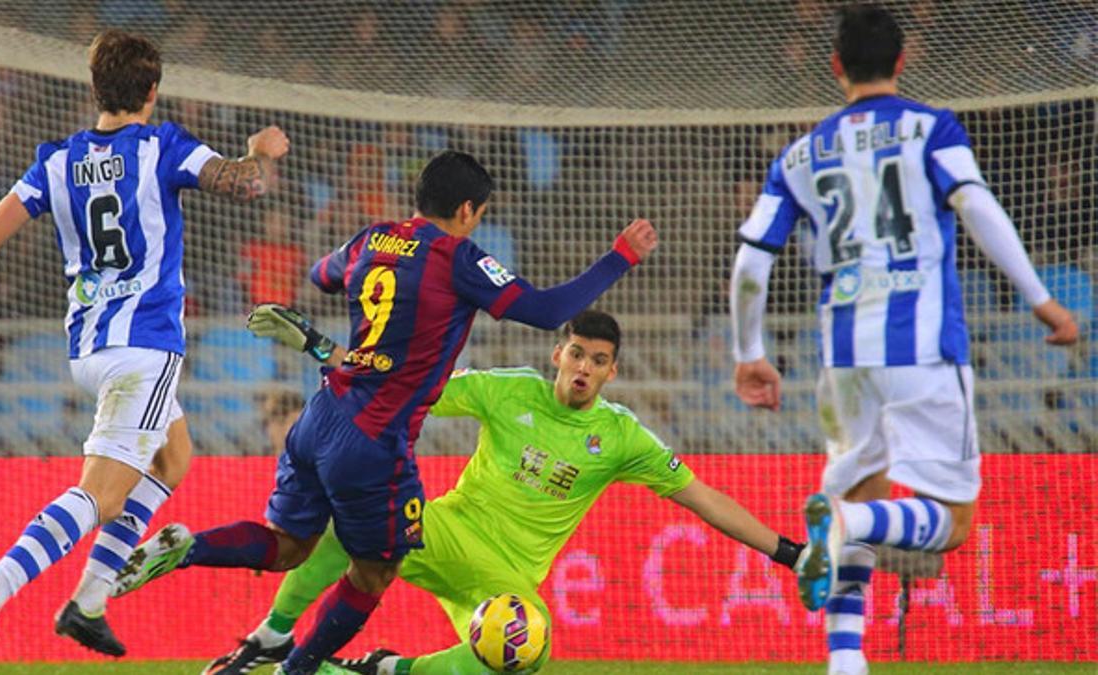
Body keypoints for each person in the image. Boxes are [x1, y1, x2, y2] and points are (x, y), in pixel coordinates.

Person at [111, 151, 658, 675]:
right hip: (372, 438)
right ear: (468, 211)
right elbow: (547, 311)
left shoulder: (371, 238)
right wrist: (620, 257)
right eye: (479, 214)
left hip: (321, 415)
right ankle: (298, 669)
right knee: (375, 572)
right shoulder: (456, 256)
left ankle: (190, 546)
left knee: (288, 546)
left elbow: (322, 276)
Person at [727, 6, 1079, 675]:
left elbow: (750, 261)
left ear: (835, 67)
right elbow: (974, 204)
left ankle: (845, 661)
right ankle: (851, 527)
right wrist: (1040, 298)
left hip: (843, 360)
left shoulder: (799, 154)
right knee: (953, 523)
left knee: (855, 490)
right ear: (903, 60)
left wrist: (750, 351)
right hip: (922, 350)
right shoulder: (931, 127)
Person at [0, 29, 290, 674]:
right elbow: (245, 186)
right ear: (151, 91)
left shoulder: (56, 161)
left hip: (89, 346)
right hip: (144, 349)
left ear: (96, 89)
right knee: (101, 494)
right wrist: (260, 153)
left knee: (174, 457)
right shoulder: (162, 145)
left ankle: (89, 602)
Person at [194, 309, 808, 675]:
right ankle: (270, 638)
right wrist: (324, 350)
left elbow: (703, 498)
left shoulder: (622, 437)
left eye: (598, 360)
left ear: (612, 371)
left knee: (529, 649)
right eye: (576, 353)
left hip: (505, 579)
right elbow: (410, 383)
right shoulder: (508, 390)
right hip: (443, 532)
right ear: (557, 353)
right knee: (342, 526)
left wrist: (789, 553)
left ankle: (386, 669)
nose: (584, 368)